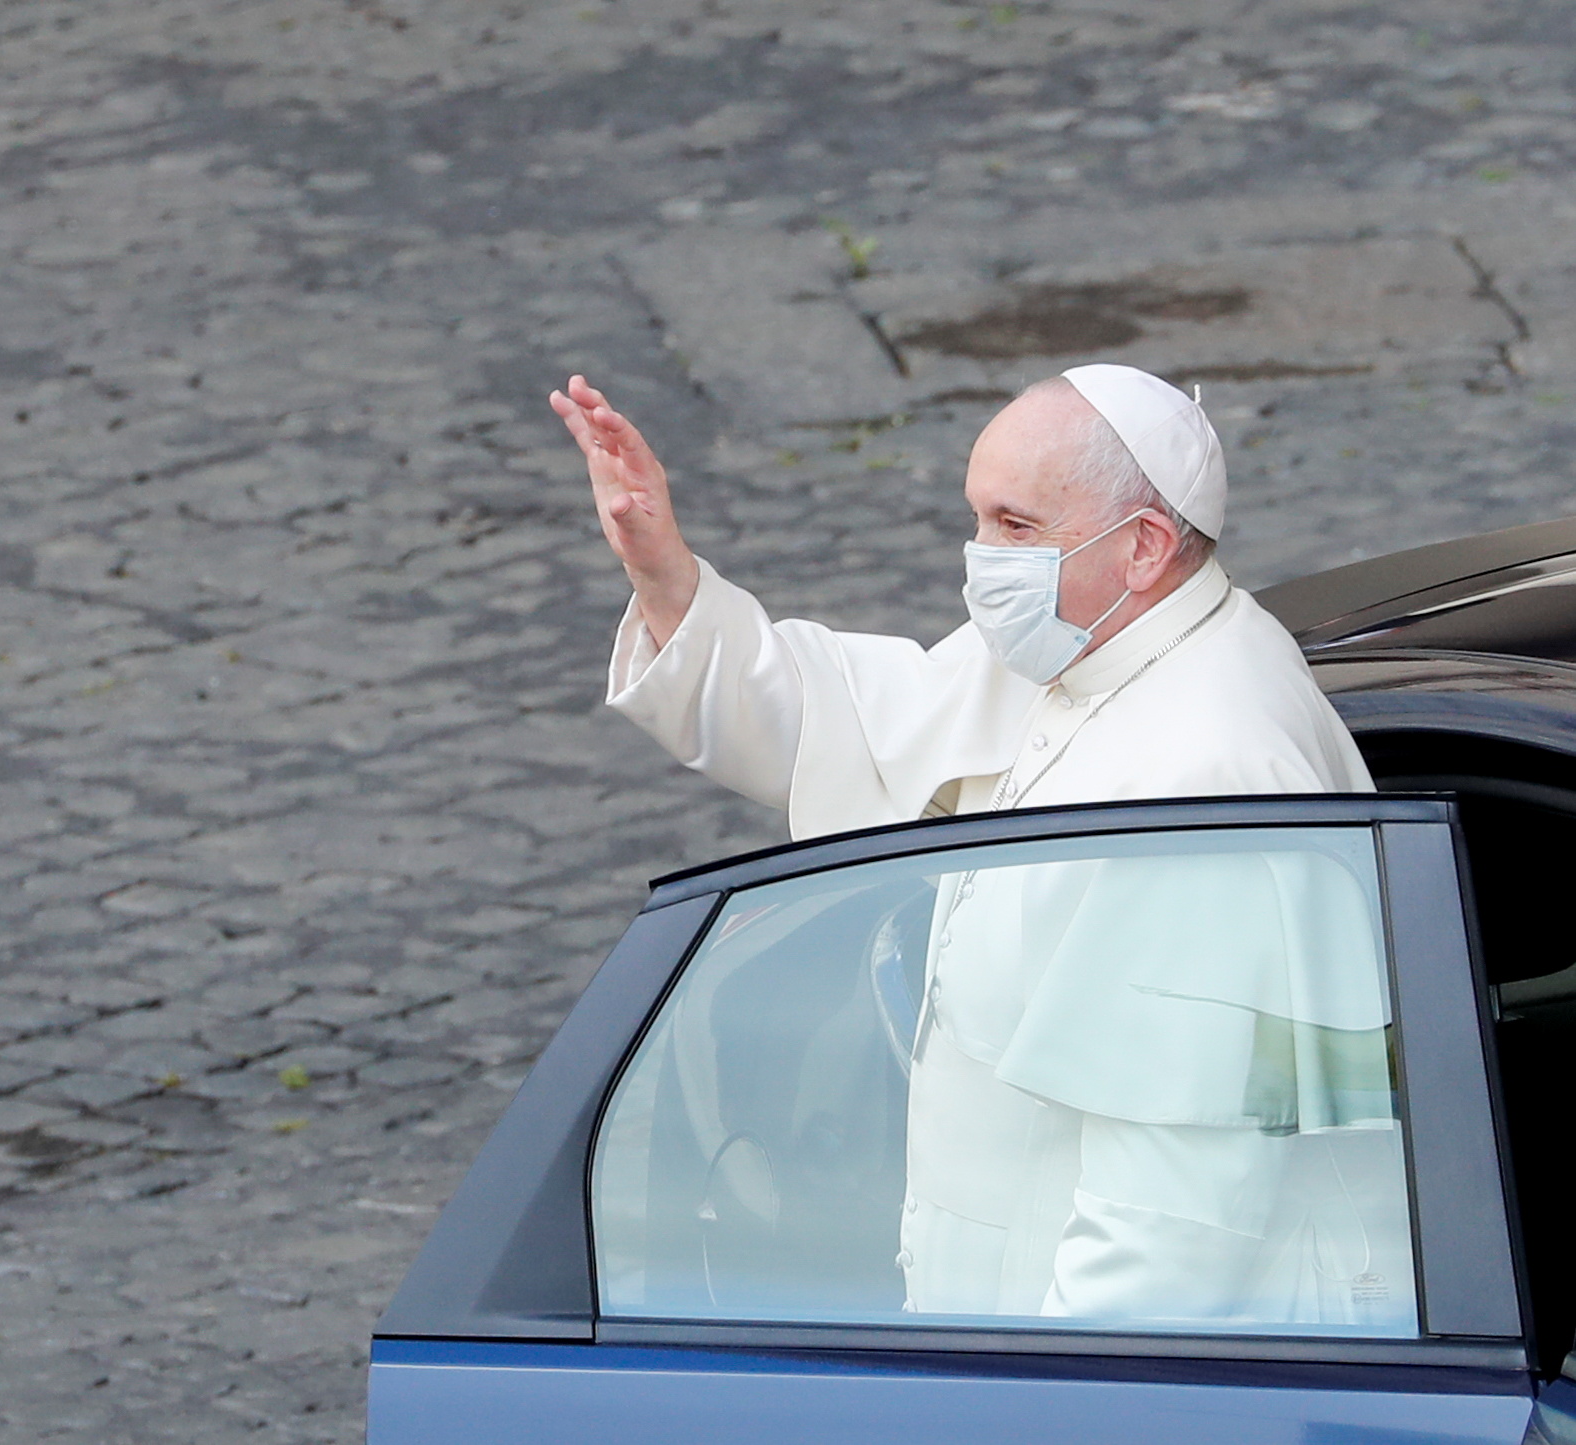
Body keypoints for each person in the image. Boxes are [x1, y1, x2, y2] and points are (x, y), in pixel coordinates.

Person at [552, 366, 1391, 1325]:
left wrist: (1039, 1403)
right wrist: (664, 572)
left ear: (1145, 545)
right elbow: (848, 728)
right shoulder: (1086, 643)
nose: (980, 558)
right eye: (978, 517)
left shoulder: (1202, 772)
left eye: (1016, 525)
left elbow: (1175, 1213)